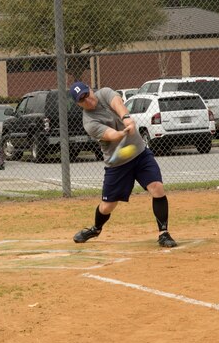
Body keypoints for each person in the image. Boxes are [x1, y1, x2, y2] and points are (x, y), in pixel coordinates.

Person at [68, 81, 177, 248]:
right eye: (82, 99)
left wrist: (127, 118)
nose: (87, 99)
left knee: (157, 188)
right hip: (117, 164)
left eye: (87, 94)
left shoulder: (103, 93)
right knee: (107, 207)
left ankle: (164, 233)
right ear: (78, 104)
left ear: (90, 89)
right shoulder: (89, 122)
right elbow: (109, 134)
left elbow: (117, 103)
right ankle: (96, 229)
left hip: (140, 154)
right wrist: (120, 134)